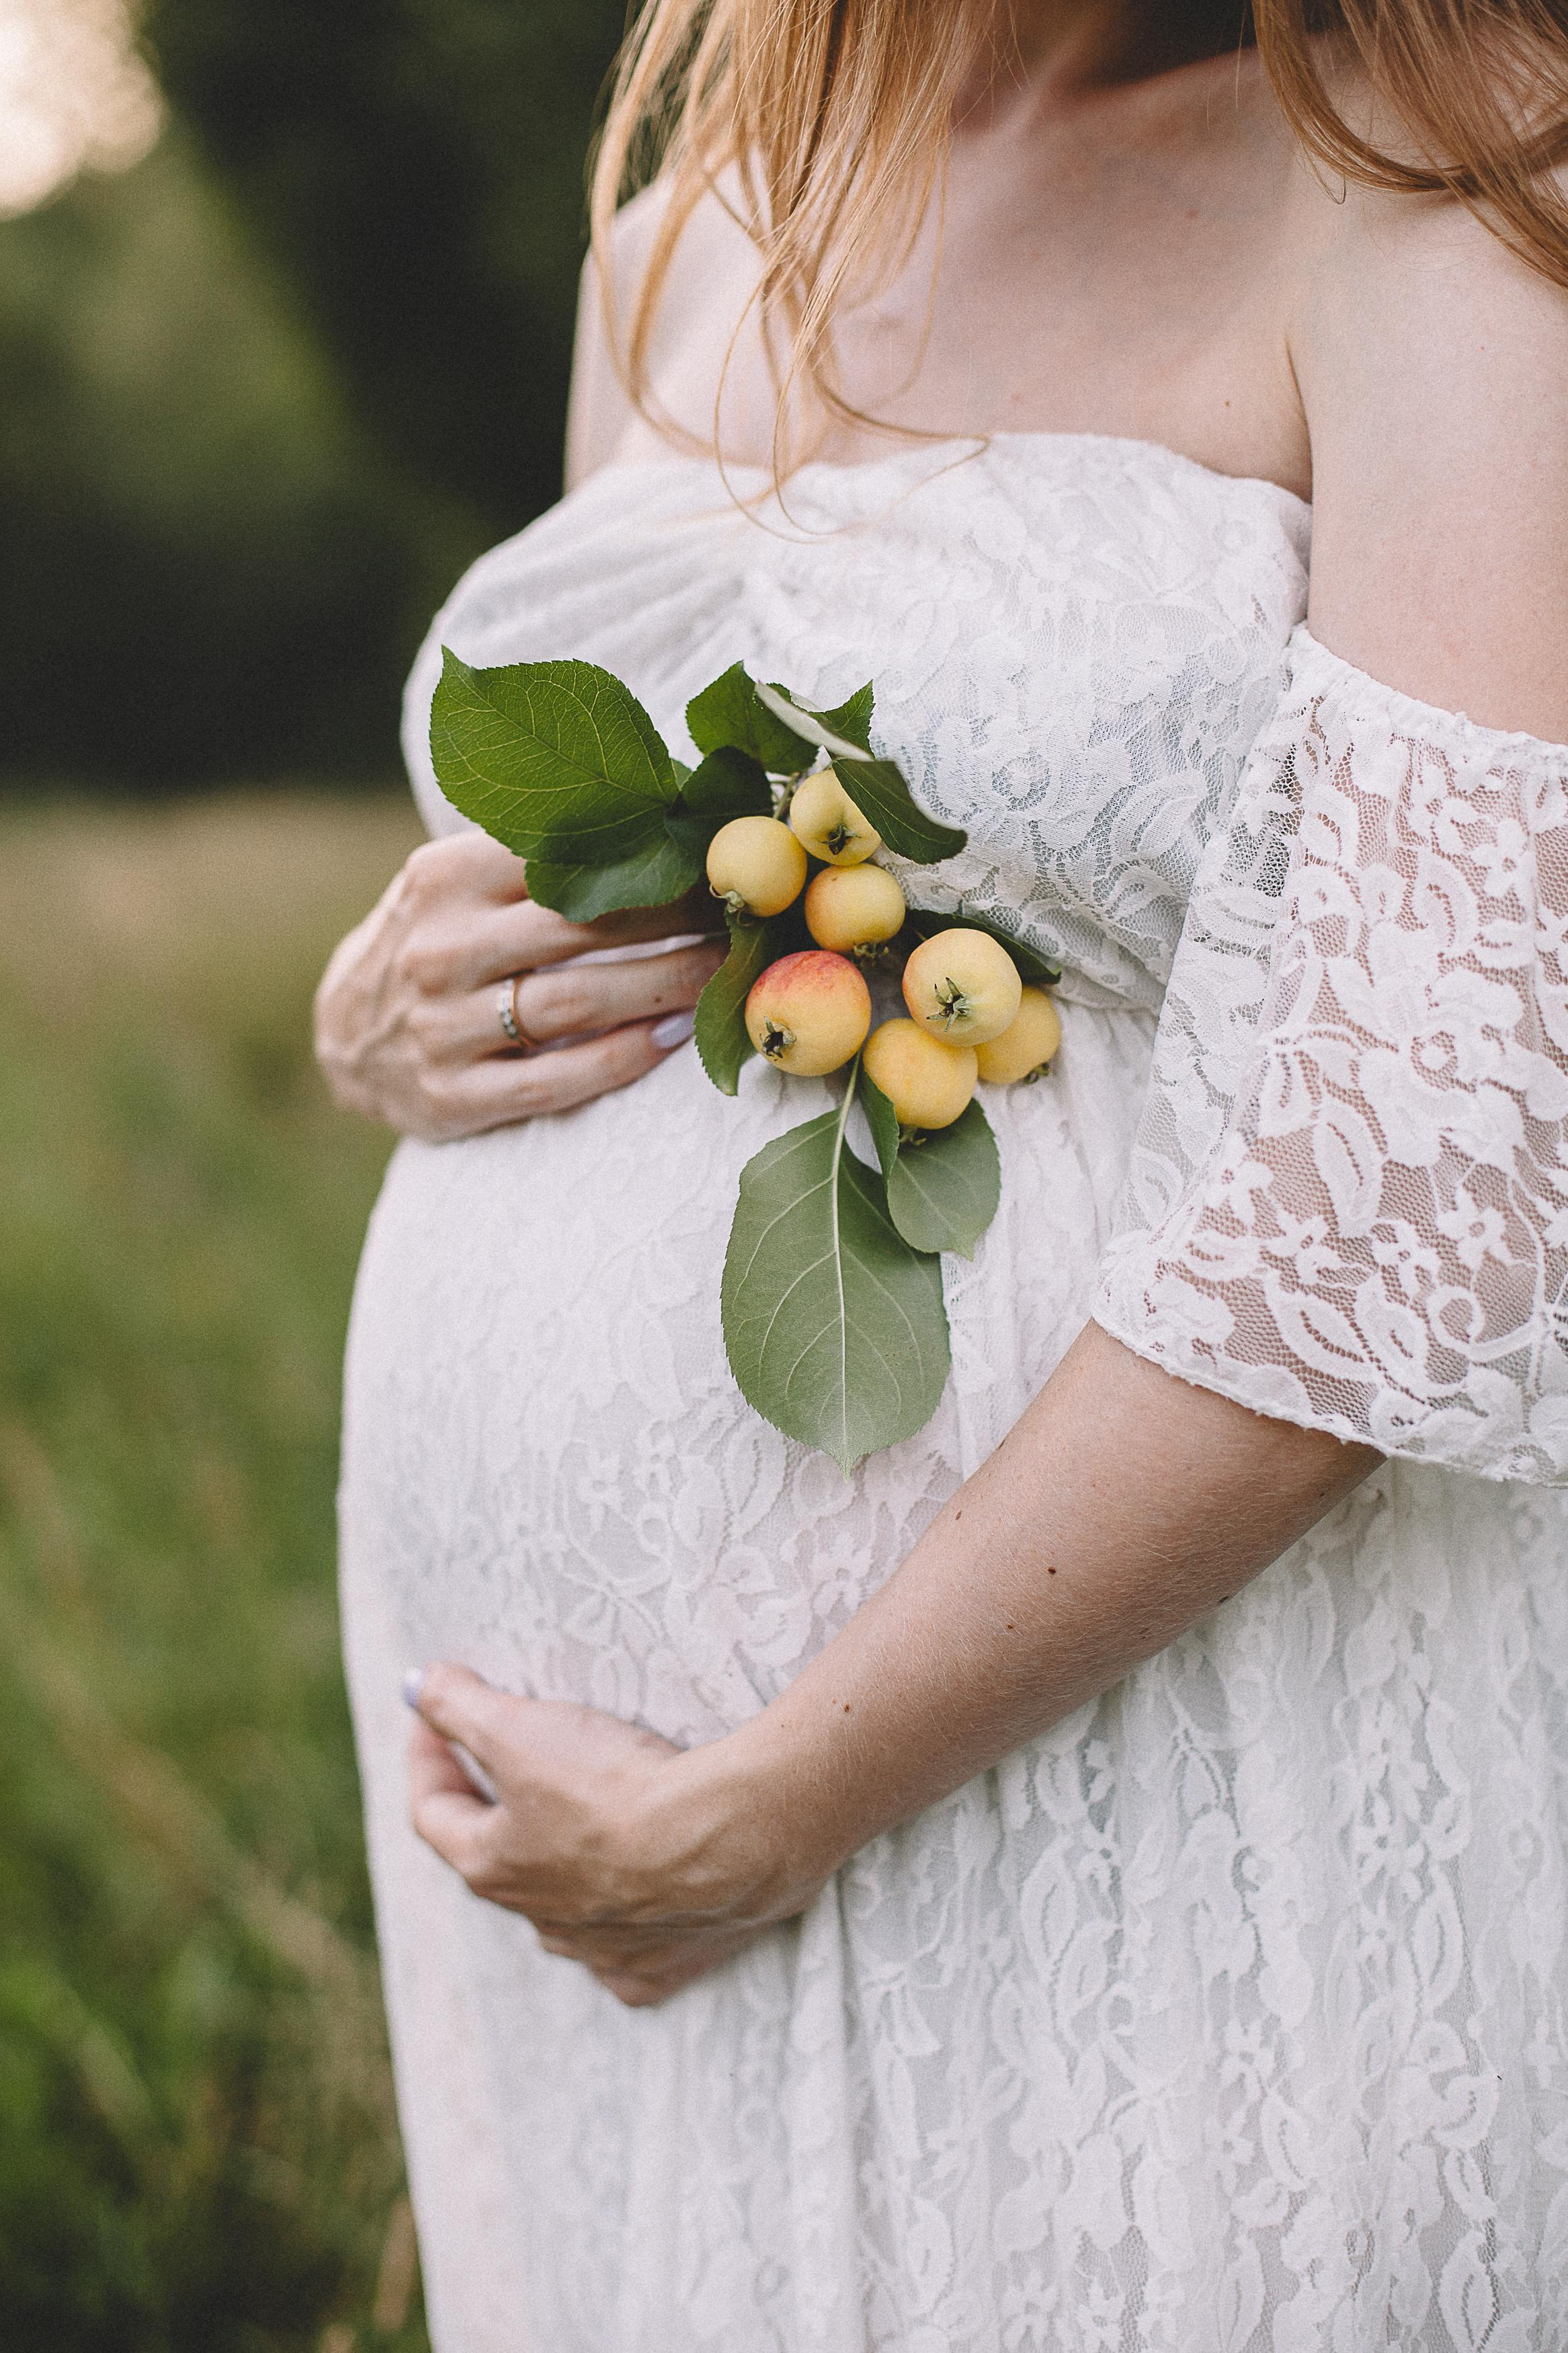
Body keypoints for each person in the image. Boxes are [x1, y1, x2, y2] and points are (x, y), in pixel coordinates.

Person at [313, 0, 1568, 2341]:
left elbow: (1414, 1177)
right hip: (596, 1902)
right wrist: (375, 1011)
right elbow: (658, 906)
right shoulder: (691, 238)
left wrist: (772, 1797)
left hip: (1139, 1784)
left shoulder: (1442, 177)